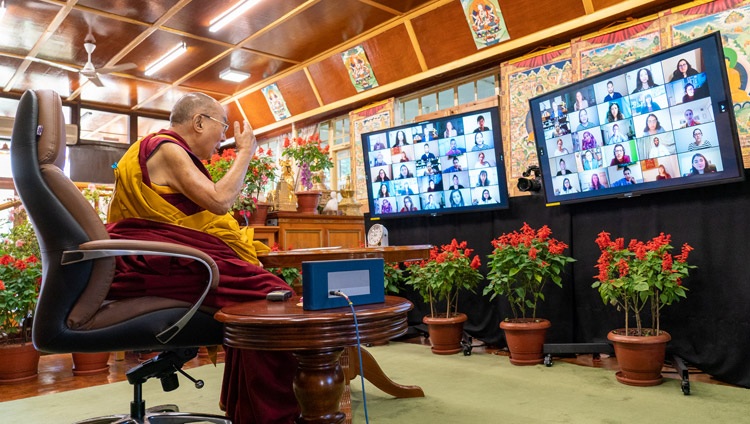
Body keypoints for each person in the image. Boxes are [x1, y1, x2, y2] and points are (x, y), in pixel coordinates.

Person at [104, 92, 299, 423]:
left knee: (260, 301)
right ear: (198, 122)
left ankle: (248, 410)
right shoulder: (167, 148)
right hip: (159, 263)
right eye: (221, 127)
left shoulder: (157, 150)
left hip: (160, 256)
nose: (222, 138)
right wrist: (245, 153)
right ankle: (271, 415)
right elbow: (220, 201)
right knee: (272, 300)